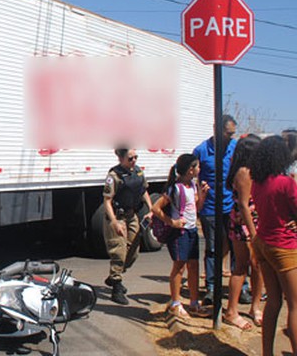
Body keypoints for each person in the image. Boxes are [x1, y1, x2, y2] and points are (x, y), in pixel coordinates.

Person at [193, 114, 250, 305]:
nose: (230, 137)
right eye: (227, 133)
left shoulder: (235, 148)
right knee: (212, 248)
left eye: (233, 134)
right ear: (216, 129)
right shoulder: (201, 150)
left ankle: (242, 288)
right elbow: (192, 175)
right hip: (210, 208)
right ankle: (211, 287)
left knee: (238, 249)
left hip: (232, 208)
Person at [249, 136, 297, 356]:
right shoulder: (286, 182)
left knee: (274, 301)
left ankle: (266, 353)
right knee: (295, 306)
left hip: (263, 243)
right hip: (285, 246)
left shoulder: (257, 182)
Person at [152, 154, 210, 318]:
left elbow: (196, 207)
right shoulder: (175, 188)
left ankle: (193, 302)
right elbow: (156, 208)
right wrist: (172, 222)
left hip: (191, 230)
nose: (199, 169)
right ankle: (176, 303)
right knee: (179, 267)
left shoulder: (192, 185)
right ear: (190, 170)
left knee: (193, 265)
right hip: (180, 233)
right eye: (197, 166)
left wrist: (203, 195)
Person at [223, 134, 264, 330]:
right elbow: (244, 205)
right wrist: (254, 234)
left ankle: (255, 307)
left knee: (258, 265)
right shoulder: (244, 172)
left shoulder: (252, 170)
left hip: (252, 222)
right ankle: (232, 311)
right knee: (241, 266)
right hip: (245, 223)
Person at [103, 148, 153, 305]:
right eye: (130, 158)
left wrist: (151, 209)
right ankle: (116, 286)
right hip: (118, 216)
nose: (134, 161)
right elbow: (107, 201)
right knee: (119, 251)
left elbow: (144, 190)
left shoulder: (137, 172)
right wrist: (114, 222)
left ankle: (114, 276)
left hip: (132, 215)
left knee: (132, 252)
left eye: (135, 157)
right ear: (121, 158)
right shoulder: (114, 176)